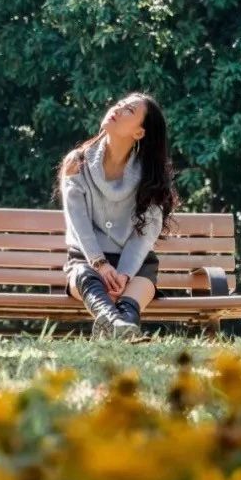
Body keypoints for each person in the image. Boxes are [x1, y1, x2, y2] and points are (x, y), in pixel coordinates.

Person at [58, 92, 178, 338]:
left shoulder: (151, 176)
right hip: (86, 262)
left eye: (129, 110)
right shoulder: (76, 162)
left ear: (139, 133)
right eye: (120, 104)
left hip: (134, 266)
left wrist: (123, 274)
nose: (117, 108)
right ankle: (114, 322)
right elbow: (77, 221)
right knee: (83, 277)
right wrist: (100, 264)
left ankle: (122, 326)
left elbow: (145, 235)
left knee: (132, 300)